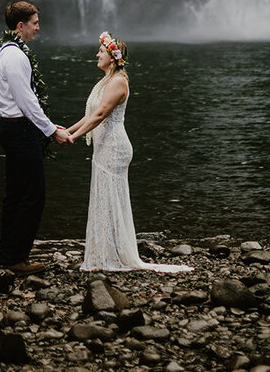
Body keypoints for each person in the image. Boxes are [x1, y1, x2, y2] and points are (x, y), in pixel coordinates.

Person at [68, 31, 190, 272]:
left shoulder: (118, 82)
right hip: (104, 147)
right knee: (103, 198)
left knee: (110, 198)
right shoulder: (105, 81)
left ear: (112, 57)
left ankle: (112, 254)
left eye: (101, 51)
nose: (96, 54)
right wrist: (63, 130)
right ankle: (104, 251)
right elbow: (90, 114)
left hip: (114, 147)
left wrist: (72, 138)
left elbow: (101, 115)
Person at [0, 0, 73, 274]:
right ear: (20, 25)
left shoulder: (6, 51)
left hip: (13, 128)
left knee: (15, 194)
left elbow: (23, 102)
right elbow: (26, 101)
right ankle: (16, 259)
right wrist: (52, 131)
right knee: (32, 195)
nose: (39, 28)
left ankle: (7, 255)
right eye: (35, 23)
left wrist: (47, 123)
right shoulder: (15, 56)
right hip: (20, 130)